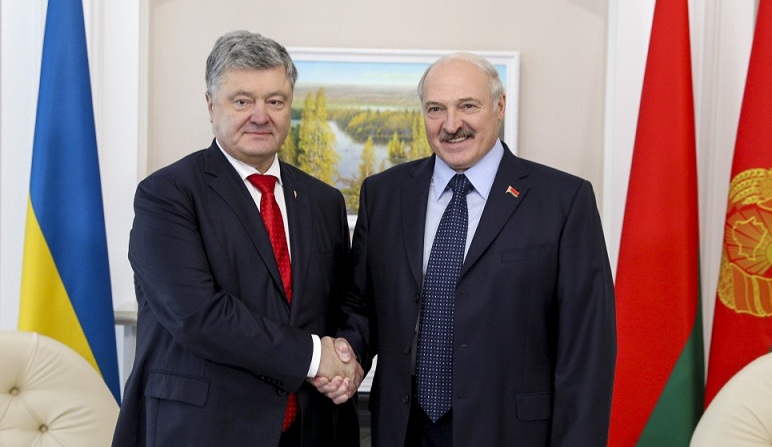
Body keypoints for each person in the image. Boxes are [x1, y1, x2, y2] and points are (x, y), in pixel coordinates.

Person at [333, 52, 617, 446]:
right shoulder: (384, 194)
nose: (451, 124)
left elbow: (587, 349)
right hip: (404, 429)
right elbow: (361, 305)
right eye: (436, 109)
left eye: (468, 106)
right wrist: (345, 356)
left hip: (511, 433)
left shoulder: (563, 202)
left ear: (499, 107)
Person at [112, 30, 364, 447]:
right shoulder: (167, 195)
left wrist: (347, 358)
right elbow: (199, 315)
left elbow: (345, 303)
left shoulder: (323, 201)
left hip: (311, 430)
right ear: (211, 105)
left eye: (275, 101)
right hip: (205, 430)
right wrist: (315, 357)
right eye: (243, 101)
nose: (260, 116)